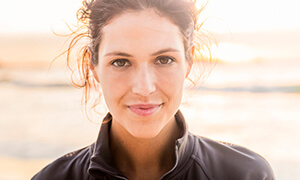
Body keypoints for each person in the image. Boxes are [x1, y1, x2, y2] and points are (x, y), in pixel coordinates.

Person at [32, 0, 275, 179]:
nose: (144, 88)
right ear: (92, 66)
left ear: (189, 61)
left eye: (164, 60)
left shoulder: (246, 174)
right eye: (120, 62)